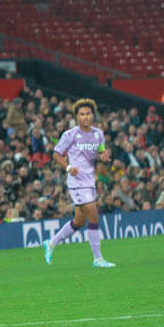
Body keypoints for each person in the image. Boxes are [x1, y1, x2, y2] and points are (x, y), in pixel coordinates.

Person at [43, 99, 115, 268]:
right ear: (76, 117)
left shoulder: (98, 134)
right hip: (76, 182)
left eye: (88, 114)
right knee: (93, 215)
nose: (86, 117)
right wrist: (68, 167)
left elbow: (100, 153)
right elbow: (56, 154)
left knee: (79, 221)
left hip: (90, 181)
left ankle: (51, 243)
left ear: (93, 115)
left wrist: (104, 157)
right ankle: (98, 259)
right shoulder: (70, 134)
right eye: (82, 114)